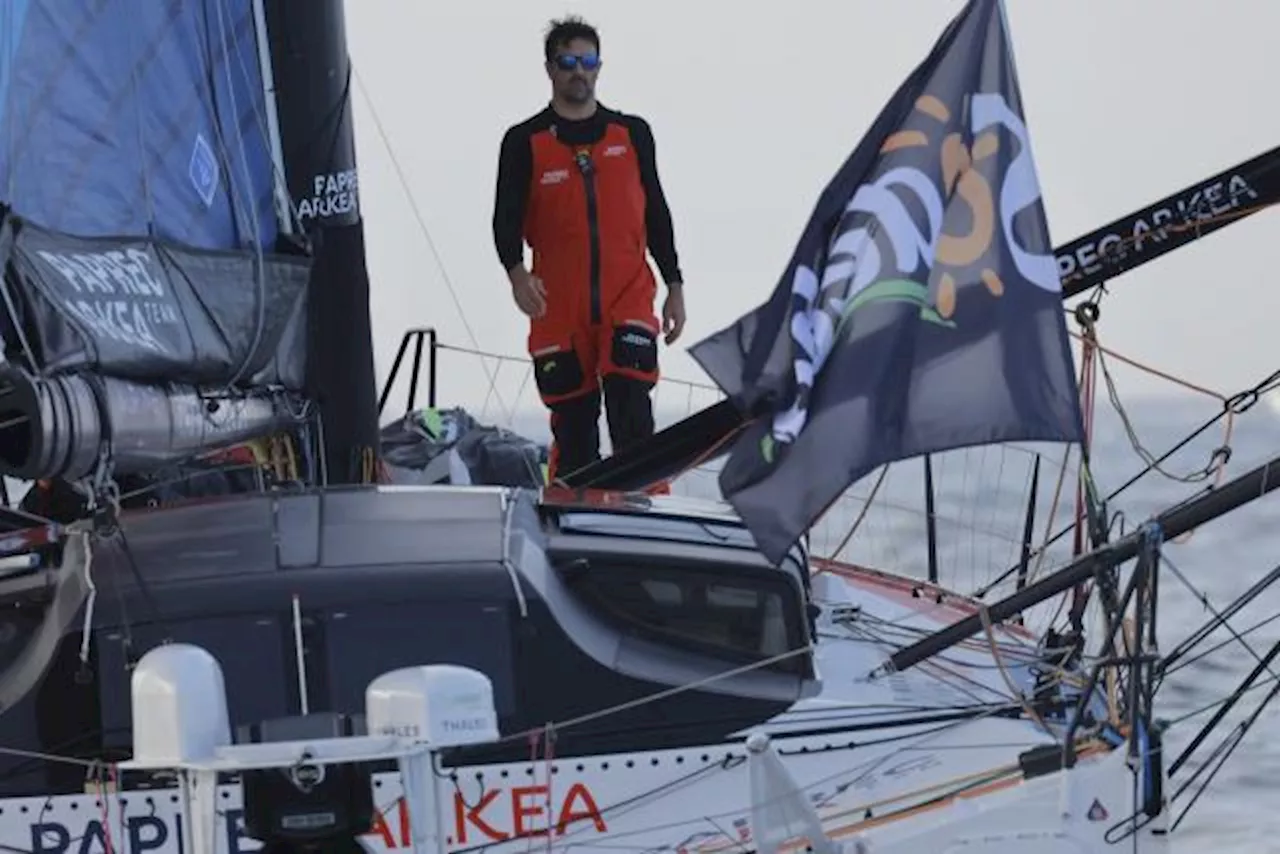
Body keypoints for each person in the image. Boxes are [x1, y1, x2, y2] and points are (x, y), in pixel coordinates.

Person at [492, 15, 686, 488]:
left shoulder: (632, 134)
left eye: (588, 60)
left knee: (631, 412)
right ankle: (576, 524)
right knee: (575, 433)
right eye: (569, 61)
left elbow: (656, 213)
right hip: (559, 309)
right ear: (550, 69)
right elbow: (504, 219)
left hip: (629, 299)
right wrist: (517, 275)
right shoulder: (525, 141)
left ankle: (648, 519)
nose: (579, 71)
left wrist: (675, 285)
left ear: (599, 67)